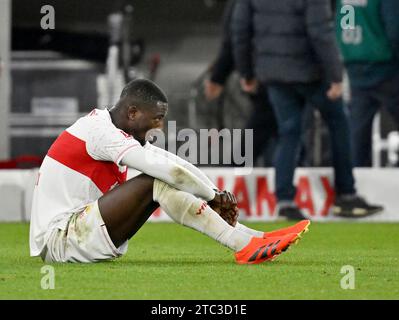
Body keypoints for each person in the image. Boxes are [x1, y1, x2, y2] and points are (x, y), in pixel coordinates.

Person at [29, 78, 310, 264]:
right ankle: (241, 245)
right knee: (157, 180)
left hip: (76, 233)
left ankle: (253, 238)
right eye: (158, 119)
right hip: (60, 241)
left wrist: (216, 193)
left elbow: (174, 163)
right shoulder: (101, 133)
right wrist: (213, 199)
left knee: (159, 177)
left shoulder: (115, 129)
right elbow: (169, 173)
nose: (160, 127)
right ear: (133, 113)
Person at [231, 0, 383, 219]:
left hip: (274, 73)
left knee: (288, 132)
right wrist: (335, 74)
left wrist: (246, 72)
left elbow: (240, 29)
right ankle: (346, 195)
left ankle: (284, 201)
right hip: (310, 72)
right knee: (338, 123)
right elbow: (320, 31)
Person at [204, 0, 277, 167]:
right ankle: (238, 174)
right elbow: (236, 37)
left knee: (273, 128)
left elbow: (235, 37)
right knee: (276, 128)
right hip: (270, 72)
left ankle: (240, 174)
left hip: (262, 71)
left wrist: (221, 75)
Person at [336, 0, 399, 167]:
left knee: (357, 134)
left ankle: (356, 181)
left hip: (354, 66)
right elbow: (394, 28)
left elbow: (342, 24)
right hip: (385, 66)